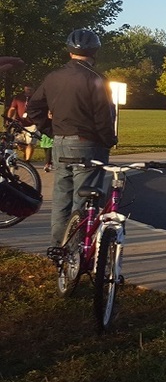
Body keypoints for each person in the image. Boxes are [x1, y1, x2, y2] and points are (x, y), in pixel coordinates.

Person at [27, 29, 117, 249]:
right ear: (95, 51)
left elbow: (34, 108)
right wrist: (108, 140)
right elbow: (103, 116)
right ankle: (75, 251)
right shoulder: (96, 79)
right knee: (84, 200)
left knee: (61, 198)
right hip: (88, 144)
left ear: (69, 51)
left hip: (60, 142)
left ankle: (57, 247)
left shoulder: (53, 77)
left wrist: (50, 130)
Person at [8, 85, 37, 161]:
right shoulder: (18, 98)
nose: (29, 90)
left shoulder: (36, 98)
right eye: (27, 88)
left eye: (30, 89)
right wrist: (9, 119)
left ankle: (27, 161)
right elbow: (12, 108)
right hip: (19, 124)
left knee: (30, 143)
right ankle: (26, 152)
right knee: (18, 144)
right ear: (24, 88)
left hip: (32, 124)